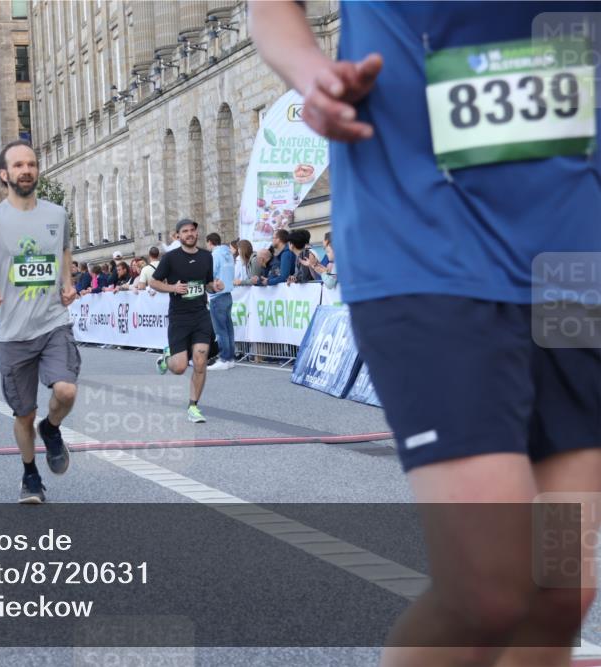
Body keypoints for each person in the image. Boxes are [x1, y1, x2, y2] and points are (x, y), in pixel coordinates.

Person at [251, 2, 600, 666]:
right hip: (424, 250)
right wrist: (312, 74)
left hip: (573, 265)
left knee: (563, 591)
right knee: (490, 589)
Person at [0, 139, 79, 504]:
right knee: (24, 414)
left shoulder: (57, 214)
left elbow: (66, 249)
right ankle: (30, 474)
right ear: (4, 175)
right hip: (12, 333)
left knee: (66, 391)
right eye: (19, 165)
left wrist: (67, 283)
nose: (27, 170)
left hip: (54, 322)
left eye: (32, 164)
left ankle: (51, 430)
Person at [149, 219, 225, 423]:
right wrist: (173, 288)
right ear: (178, 236)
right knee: (180, 367)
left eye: (192, 230)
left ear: (196, 233)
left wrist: (215, 286)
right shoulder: (171, 258)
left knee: (200, 361)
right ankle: (166, 359)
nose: (190, 234)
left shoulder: (206, 256)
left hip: (200, 314)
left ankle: (193, 406)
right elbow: (153, 282)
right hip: (179, 317)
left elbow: (207, 283)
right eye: (185, 231)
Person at [206, 233, 236, 370]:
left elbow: (210, 273)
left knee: (220, 329)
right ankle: (230, 358)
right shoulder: (228, 254)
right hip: (228, 293)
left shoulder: (215, 255)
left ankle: (224, 358)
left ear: (210, 242)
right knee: (228, 328)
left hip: (217, 295)